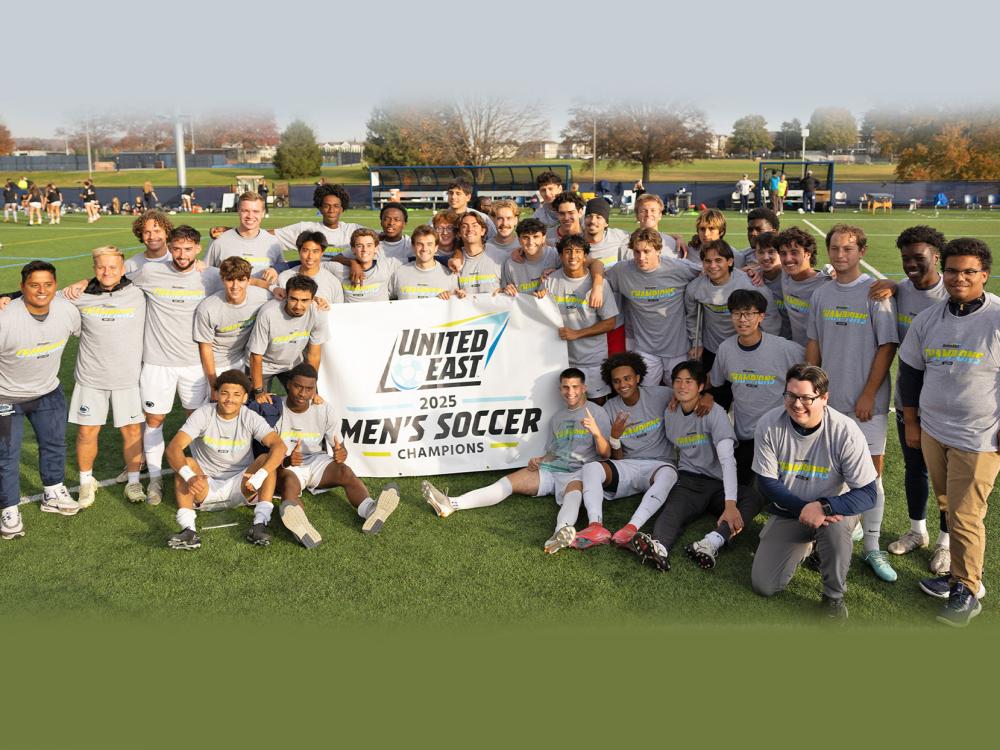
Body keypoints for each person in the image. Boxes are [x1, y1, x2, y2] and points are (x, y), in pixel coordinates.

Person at [900, 237, 1000, 626]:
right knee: (948, 506)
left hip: (979, 437)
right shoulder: (928, 319)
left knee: (965, 514)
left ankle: (967, 591)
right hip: (933, 431)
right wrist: (912, 422)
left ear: (984, 275)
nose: (960, 278)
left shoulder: (996, 318)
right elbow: (910, 373)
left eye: (969, 271)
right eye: (953, 271)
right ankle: (961, 574)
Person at [421, 367, 611, 554]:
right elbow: (555, 452)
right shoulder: (557, 418)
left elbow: (606, 455)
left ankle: (559, 533)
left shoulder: (597, 413)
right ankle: (452, 503)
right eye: (566, 387)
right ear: (560, 389)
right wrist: (541, 460)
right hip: (553, 469)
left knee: (573, 494)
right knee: (509, 482)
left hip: (579, 472)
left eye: (575, 387)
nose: (570, 392)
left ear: (584, 388)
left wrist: (596, 432)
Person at [806, 224, 899, 583]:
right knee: (831, 474)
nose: (840, 254)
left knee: (871, 477)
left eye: (848, 248)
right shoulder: (821, 294)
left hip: (866, 404)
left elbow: (886, 346)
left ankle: (872, 547)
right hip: (828, 402)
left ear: (862, 251)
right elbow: (814, 343)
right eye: (835, 248)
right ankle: (832, 533)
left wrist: (868, 393)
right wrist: (812, 391)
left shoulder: (876, 293)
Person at [750, 364, 878, 619]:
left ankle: (833, 598)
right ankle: (809, 545)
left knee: (835, 530)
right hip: (791, 510)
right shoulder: (769, 424)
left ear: (824, 398)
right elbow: (766, 482)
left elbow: (868, 493)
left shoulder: (845, 431)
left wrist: (824, 507)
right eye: (791, 395)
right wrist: (805, 509)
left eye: (806, 398)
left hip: (833, 512)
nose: (797, 404)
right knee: (763, 585)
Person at [628, 360, 763, 571]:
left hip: (718, 484)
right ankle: (659, 548)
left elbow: (728, 461)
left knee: (752, 497)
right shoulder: (670, 411)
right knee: (673, 510)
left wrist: (730, 504)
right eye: (678, 381)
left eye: (689, 381)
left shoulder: (714, 412)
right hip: (690, 480)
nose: (682, 386)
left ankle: (711, 542)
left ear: (701, 387)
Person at [252, 364, 400, 547]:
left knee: (344, 471)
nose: (303, 393)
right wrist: (288, 460)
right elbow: (267, 452)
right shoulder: (275, 409)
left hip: (316, 460)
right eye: (298, 386)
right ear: (288, 384)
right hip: (287, 464)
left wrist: (340, 453)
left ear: (315, 388)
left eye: (309, 389)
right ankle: (300, 522)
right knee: (289, 483)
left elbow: (339, 446)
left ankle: (369, 508)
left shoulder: (324, 409)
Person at [1, 261, 83, 540]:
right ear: (21, 287)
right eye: (34, 285)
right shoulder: (5, 317)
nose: (41, 290)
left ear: (55, 286)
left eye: (48, 284)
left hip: (48, 391)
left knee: (54, 444)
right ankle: (9, 508)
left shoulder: (67, 311)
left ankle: (53, 492)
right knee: (7, 456)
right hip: (6, 396)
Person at [884, 226, 950, 571]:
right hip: (908, 400)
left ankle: (946, 542)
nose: (911, 263)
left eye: (918, 257)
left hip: (945, 408)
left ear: (936, 256)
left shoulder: (952, 295)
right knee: (915, 469)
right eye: (905, 257)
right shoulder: (899, 292)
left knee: (948, 477)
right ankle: (917, 531)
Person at [163, 369, 287, 551]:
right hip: (204, 486)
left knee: (265, 460)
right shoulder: (203, 414)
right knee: (186, 463)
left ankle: (259, 524)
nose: (230, 399)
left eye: (236, 394)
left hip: (243, 486)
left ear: (245, 397)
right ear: (216, 394)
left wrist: (260, 476)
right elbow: (173, 448)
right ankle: (189, 531)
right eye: (225, 393)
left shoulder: (250, 416)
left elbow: (279, 446)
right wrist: (190, 477)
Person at [65, 247, 148, 506]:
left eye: (113, 267)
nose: (107, 272)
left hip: (128, 379)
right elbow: (42, 298)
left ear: (123, 269)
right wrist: (9, 297)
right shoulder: (79, 295)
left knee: (132, 432)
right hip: (90, 378)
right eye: (101, 267)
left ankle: (133, 482)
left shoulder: (139, 291)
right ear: (94, 269)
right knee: (86, 432)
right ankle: (86, 482)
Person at [577, 352, 677, 550]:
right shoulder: (609, 408)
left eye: (627, 378)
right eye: (616, 381)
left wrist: (707, 397)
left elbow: (688, 394)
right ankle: (595, 526)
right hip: (628, 466)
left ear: (638, 377)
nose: (622, 384)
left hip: (659, 465)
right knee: (590, 468)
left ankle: (631, 528)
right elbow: (617, 457)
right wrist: (615, 437)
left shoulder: (661, 395)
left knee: (669, 474)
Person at [708, 289, 804, 484]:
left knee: (771, 488)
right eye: (737, 313)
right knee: (742, 486)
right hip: (744, 436)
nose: (742, 319)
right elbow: (717, 384)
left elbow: (813, 364)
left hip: (778, 435)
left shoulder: (785, 348)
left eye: (749, 313)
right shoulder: (725, 349)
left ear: (761, 316)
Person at [684, 239, 781, 412]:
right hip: (713, 349)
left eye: (718, 260)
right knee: (715, 399)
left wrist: (768, 348)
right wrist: (696, 342)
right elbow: (692, 317)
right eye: (707, 261)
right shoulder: (695, 288)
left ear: (729, 261)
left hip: (745, 349)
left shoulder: (750, 284)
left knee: (747, 397)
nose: (713, 266)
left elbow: (770, 318)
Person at [605, 228, 702, 385]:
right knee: (645, 392)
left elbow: (709, 272)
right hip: (645, 349)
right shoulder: (622, 271)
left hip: (678, 349)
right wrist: (597, 284)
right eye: (637, 252)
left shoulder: (679, 268)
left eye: (646, 251)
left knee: (679, 393)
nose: (641, 257)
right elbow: (595, 271)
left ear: (658, 250)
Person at [542, 236, 618, 400]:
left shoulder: (599, 285)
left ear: (585, 257)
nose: (573, 256)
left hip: (593, 360)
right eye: (568, 251)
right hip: (561, 359)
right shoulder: (550, 281)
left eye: (578, 252)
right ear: (561, 256)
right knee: (567, 403)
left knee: (597, 402)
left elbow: (610, 322)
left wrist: (577, 334)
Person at [194, 256, 272, 399]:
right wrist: (213, 385)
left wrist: (274, 287)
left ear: (249, 281)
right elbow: (205, 347)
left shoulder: (263, 296)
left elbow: (289, 296)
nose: (235, 286)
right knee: (215, 406)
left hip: (243, 360)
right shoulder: (208, 308)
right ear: (222, 280)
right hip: (216, 364)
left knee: (241, 405)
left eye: (241, 280)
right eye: (230, 280)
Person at [248, 274, 328, 400]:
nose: (298, 306)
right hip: (263, 365)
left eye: (304, 300)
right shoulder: (268, 313)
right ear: (286, 295)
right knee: (259, 406)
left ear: (313, 299)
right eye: (293, 299)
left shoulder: (318, 312)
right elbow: (256, 355)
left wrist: (312, 387)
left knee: (306, 400)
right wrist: (258, 391)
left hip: (293, 365)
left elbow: (314, 355)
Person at [204, 192, 285, 281]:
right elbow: (206, 275)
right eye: (245, 211)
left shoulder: (273, 242)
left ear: (263, 213)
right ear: (238, 211)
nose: (250, 216)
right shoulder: (219, 241)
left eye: (256, 211)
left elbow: (280, 275)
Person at [271, 184, 361, 256]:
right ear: (320, 209)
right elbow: (269, 236)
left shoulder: (353, 230)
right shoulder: (306, 228)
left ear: (342, 209)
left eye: (336, 206)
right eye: (326, 206)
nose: (331, 210)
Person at [776, 227, 830, 346]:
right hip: (797, 350)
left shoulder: (826, 283)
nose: (788, 259)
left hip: (821, 351)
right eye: (783, 253)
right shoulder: (785, 275)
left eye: (794, 252)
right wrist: (754, 270)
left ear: (807, 254)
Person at [391, 225, 462, 300]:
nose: (424, 249)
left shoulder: (450, 275)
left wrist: (451, 296)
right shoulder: (399, 273)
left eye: (429, 244)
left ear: (436, 247)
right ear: (413, 247)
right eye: (419, 244)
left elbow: (457, 300)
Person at [333, 227, 401, 303]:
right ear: (353, 249)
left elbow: (411, 261)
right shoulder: (339, 270)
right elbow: (330, 261)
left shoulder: (387, 265)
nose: (364, 249)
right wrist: (352, 262)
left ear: (376, 248)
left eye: (369, 245)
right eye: (359, 246)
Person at [275, 231, 344, 304]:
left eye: (315, 251)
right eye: (305, 251)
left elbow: (338, 309)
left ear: (322, 253)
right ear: (299, 251)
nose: (310, 256)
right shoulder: (284, 277)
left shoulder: (333, 282)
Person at [500, 218, 561, 296]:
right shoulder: (510, 264)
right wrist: (507, 290)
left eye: (535, 237)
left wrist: (557, 272)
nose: (531, 242)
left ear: (543, 238)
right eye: (525, 237)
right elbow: (507, 292)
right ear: (519, 240)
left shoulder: (556, 255)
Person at [619, 193, 683, 260]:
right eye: (643, 211)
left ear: (660, 215)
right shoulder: (625, 244)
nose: (648, 214)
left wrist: (676, 238)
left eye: (653, 210)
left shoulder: (673, 244)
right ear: (637, 216)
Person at [455, 212, 505, 296]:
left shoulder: (500, 256)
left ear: (483, 231)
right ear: (459, 233)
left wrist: (504, 290)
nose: (470, 229)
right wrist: (457, 293)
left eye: (475, 225)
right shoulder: (455, 262)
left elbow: (510, 288)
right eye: (464, 226)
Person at [124, 209, 174, 278]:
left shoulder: (179, 261)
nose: (152, 237)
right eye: (147, 232)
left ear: (167, 233)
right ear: (141, 235)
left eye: (157, 231)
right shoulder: (130, 265)